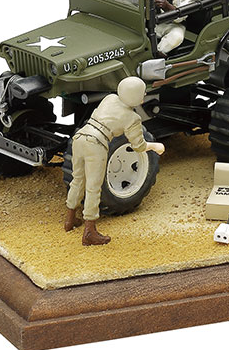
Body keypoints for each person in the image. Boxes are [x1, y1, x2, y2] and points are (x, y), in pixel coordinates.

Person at [64, 76, 166, 245]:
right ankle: (89, 232)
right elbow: (139, 146)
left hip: (80, 137)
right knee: (93, 188)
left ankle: (69, 220)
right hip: (96, 144)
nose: (144, 95)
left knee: (77, 180)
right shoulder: (132, 118)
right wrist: (155, 146)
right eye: (142, 93)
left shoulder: (109, 98)